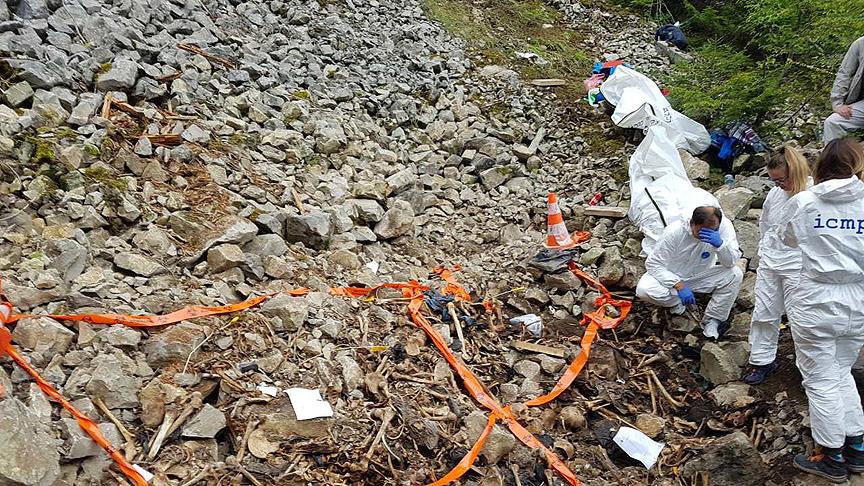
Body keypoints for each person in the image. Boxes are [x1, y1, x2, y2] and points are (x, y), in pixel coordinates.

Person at [784, 138, 864, 483]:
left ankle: (831, 456)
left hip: (817, 297)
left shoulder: (804, 202)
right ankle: (857, 449)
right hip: (858, 299)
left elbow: (788, 239)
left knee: (820, 379)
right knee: (842, 371)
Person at [741, 146, 812, 385]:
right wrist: (764, 251)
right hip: (772, 261)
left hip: (800, 265)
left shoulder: (814, 194)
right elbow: (766, 224)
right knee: (764, 311)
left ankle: (811, 370)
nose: (778, 185)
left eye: (781, 179)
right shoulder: (775, 195)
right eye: (774, 181)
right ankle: (762, 359)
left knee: (801, 317)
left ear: (796, 172)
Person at [636, 206, 743, 339]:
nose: (706, 235)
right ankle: (676, 303)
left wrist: (720, 245)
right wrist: (678, 284)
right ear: (692, 223)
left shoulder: (724, 228)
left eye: (712, 231)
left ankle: (712, 320)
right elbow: (654, 264)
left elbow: (730, 262)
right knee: (644, 290)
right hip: (672, 276)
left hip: (701, 275)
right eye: (701, 231)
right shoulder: (675, 232)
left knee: (734, 274)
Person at [824, 36, 864, 143]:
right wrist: (837, 103)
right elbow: (844, 73)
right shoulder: (860, 44)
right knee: (832, 122)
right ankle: (834, 159)